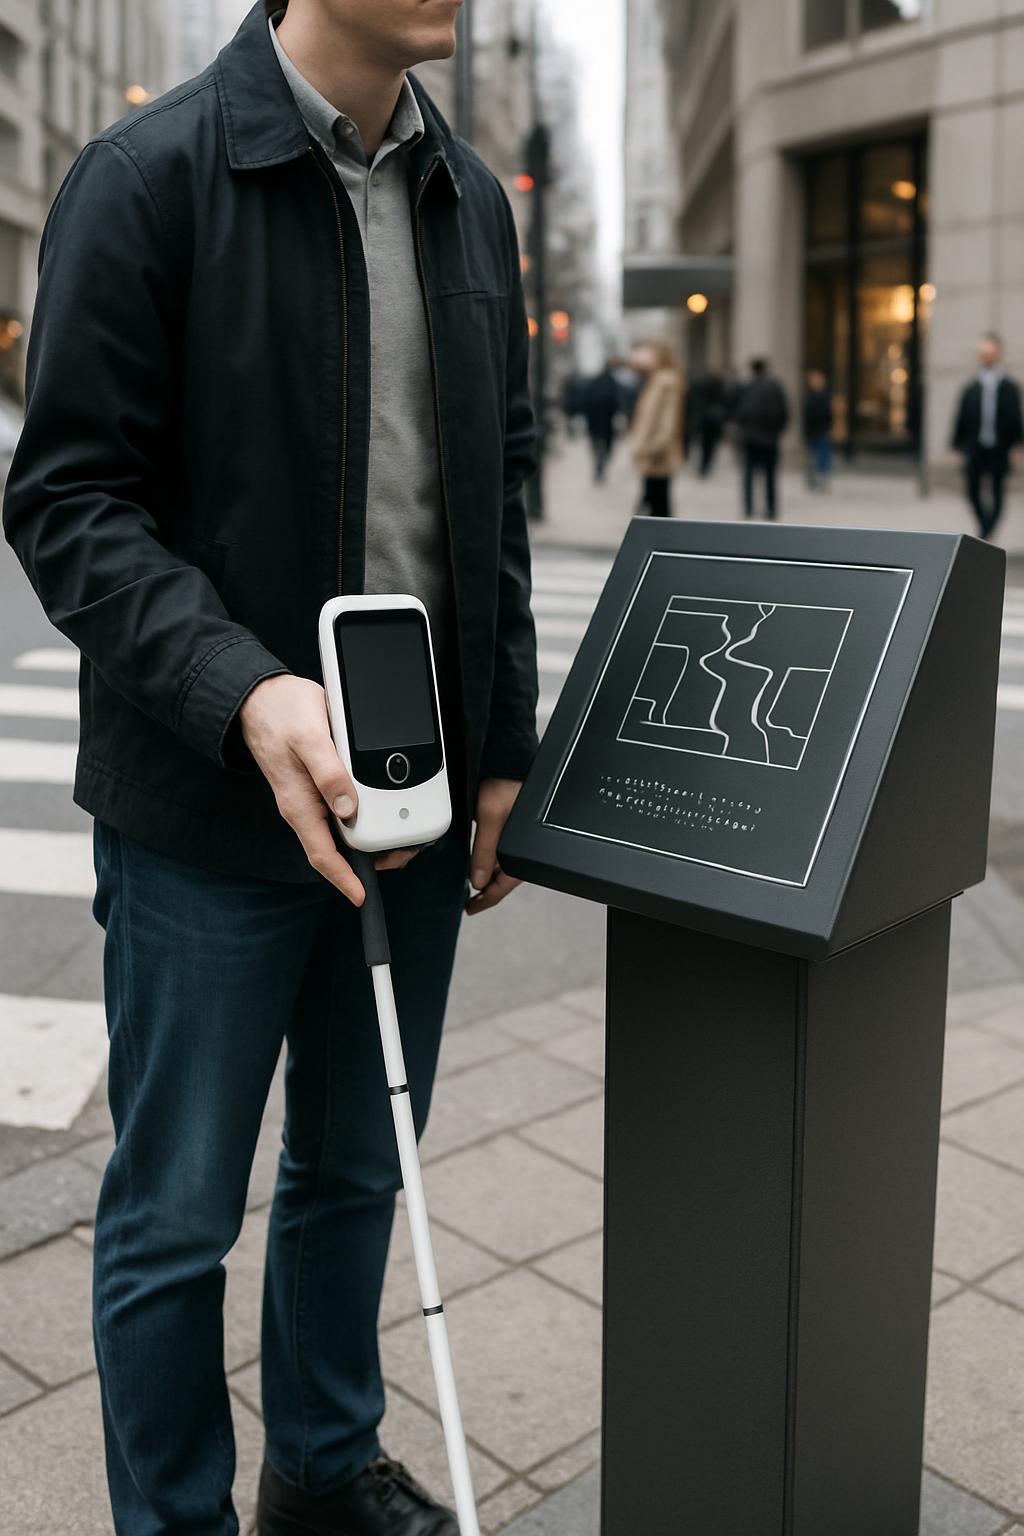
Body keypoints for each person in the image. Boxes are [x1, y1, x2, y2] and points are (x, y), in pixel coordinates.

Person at [2, 3, 539, 1534]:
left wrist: (503, 746)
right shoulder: (148, 175)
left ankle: (322, 1465)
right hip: (203, 812)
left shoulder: (473, 201)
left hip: (418, 795)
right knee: (173, 1220)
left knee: (359, 1170)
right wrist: (246, 692)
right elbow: (70, 504)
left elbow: (494, 480)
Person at [951, 331, 1024, 540]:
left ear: (998, 354)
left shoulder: (1010, 388)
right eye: (982, 353)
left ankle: (987, 531)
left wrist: (1018, 444)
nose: (986, 356)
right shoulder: (972, 387)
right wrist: (957, 445)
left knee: (997, 489)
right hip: (976, 446)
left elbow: (1016, 417)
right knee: (972, 490)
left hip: (999, 447)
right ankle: (985, 526)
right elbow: (962, 416)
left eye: (990, 352)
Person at [629, 339, 685, 517]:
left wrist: (652, 447)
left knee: (658, 504)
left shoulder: (666, 381)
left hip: (657, 454)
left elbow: (667, 421)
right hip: (653, 452)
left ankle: (661, 541)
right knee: (655, 500)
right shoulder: (657, 380)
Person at [736, 357, 789, 520]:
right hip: (769, 439)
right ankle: (771, 508)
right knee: (770, 475)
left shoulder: (747, 387)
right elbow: (784, 413)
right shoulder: (775, 387)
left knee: (749, 475)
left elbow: (739, 412)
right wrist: (777, 431)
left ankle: (748, 508)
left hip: (751, 438)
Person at [583, 360, 620, 483]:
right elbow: (617, 402)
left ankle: (599, 467)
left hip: (595, 422)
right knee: (606, 448)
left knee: (597, 446)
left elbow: (586, 402)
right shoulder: (613, 383)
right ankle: (600, 468)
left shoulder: (594, 383)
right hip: (607, 422)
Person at [689, 370, 727, 478]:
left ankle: (703, 465)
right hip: (713, 421)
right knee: (710, 445)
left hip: (706, 420)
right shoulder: (718, 389)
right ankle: (706, 465)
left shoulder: (701, 389)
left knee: (705, 445)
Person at [803, 368, 833, 490]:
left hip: (822, 430)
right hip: (812, 431)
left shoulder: (825, 396)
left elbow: (828, 414)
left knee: (822, 457)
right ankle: (813, 480)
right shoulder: (809, 397)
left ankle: (821, 480)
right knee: (812, 457)